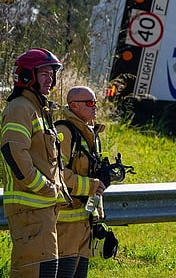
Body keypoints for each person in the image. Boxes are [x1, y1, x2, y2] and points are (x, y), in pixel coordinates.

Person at [0, 48, 70, 277]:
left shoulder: (38, 109)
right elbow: (13, 152)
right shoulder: (21, 107)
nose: (50, 78)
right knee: (37, 273)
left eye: (52, 73)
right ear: (28, 76)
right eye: (44, 74)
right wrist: (43, 186)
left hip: (41, 210)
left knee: (45, 272)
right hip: (30, 209)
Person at [55, 86, 106, 278]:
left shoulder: (91, 133)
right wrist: (93, 185)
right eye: (90, 103)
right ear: (74, 105)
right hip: (65, 222)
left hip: (85, 220)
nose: (95, 107)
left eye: (96, 103)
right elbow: (58, 174)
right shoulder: (64, 132)